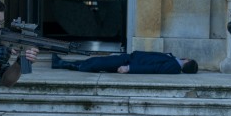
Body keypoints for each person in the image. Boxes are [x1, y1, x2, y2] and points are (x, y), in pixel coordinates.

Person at [51, 51, 198, 74]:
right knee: (97, 61)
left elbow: (153, 68)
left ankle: (61, 64)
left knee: (96, 64)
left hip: (130, 62)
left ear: (188, 61)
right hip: (130, 57)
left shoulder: (174, 66)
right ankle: (63, 62)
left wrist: (129, 68)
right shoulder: (174, 60)